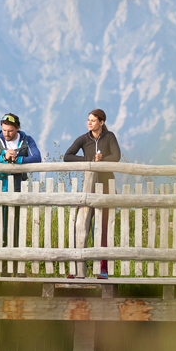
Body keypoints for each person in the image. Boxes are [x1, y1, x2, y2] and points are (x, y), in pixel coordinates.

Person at [62, 108, 121, 277]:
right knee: (81, 225)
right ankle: (77, 269)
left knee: (103, 228)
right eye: (88, 120)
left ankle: (103, 270)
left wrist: (101, 161)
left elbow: (116, 157)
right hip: (89, 188)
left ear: (101, 122)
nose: (89, 123)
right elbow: (67, 156)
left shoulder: (109, 137)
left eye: (93, 120)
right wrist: (89, 160)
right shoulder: (83, 139)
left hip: (106, 186)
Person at [0, 113, 42, 257]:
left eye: (10, 131)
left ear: (18, 128)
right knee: (0, 224)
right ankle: (3, 259)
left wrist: (19, 159)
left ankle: (15, 258)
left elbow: (37, 158)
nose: (6, 134)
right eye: (4, 130)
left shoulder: (27, 140)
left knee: (17, 224)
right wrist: (2, 158)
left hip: (18, 189)